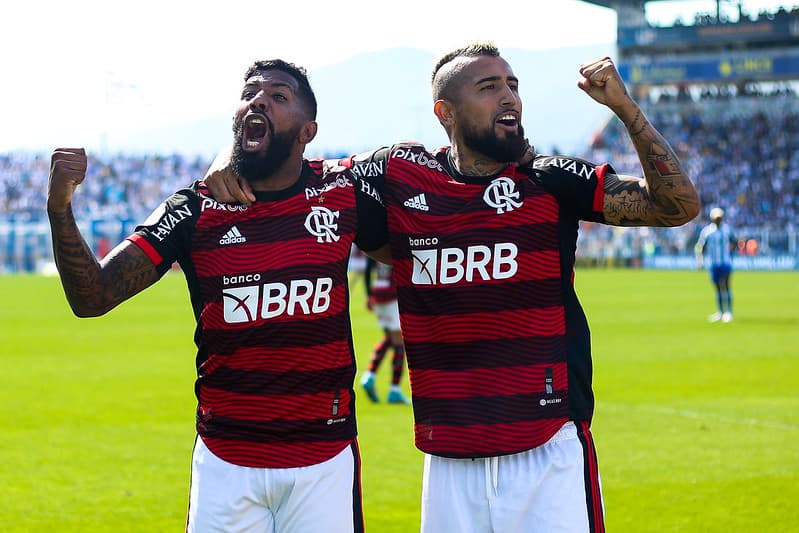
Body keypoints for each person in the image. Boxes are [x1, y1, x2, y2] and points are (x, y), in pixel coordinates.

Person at [205, 43, 700, 533]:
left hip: (547, 449)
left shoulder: (550, 180)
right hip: (447, 462)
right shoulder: (397, 173)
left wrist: (625, 109)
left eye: (513, 86)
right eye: (489, 87)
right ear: (446, 111)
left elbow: (677, 206)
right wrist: (228, 153)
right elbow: (291, 167)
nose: (509, 97)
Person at [47, 59, 390, 533]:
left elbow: (422, 194)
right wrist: (60, 208)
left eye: (278, 96)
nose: (259, 100)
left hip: (324, 460)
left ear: (307, 131)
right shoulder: (194, 208)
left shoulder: (343, 190)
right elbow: (93, 297)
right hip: (226, 463)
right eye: (250, 92)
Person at [360, 256, 410, 404]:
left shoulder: (377, 240)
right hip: (392, 294)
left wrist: (369, 295)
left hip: (378, 292)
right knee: (400, 343)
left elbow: (368, 268)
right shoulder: (395, 239)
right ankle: (394, 390)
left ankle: (369, 376)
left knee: (390, 338)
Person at [695, 207, 735, 322]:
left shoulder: (727, 230)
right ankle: (721, 312)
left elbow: (735, 242)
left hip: (725, 263)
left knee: (726, 286)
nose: (718, 220)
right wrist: (700, 261)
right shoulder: (707, 232)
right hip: (714, 264)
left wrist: (731, 253)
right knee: (718, 288)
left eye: (720, 218)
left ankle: (728, 312)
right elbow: (700, 247)